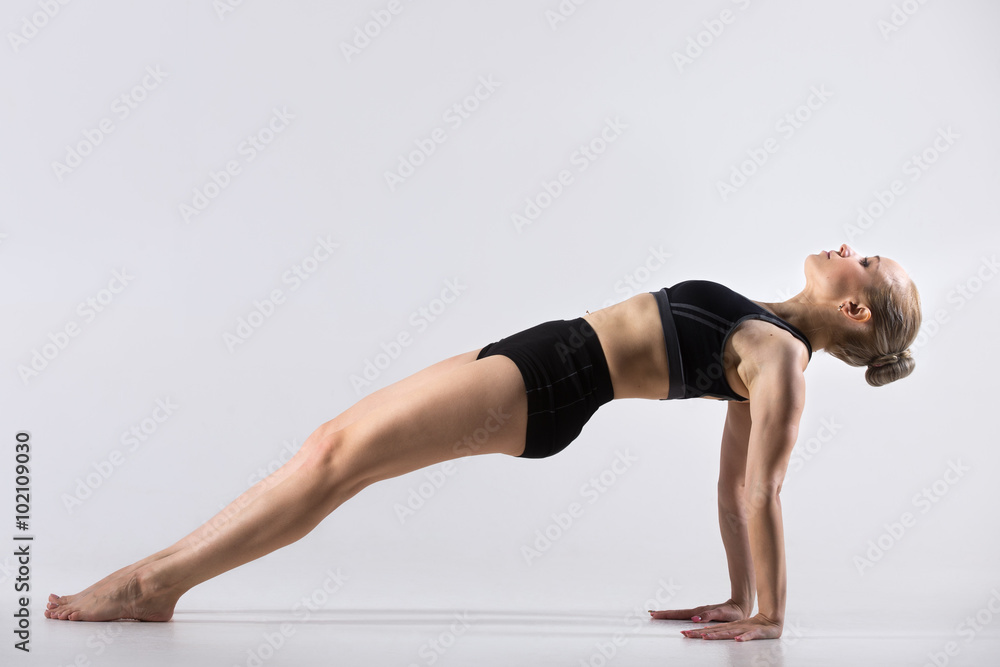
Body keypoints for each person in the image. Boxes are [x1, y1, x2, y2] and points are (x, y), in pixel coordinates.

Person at [45, 243, 921, 642]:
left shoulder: (780, 358)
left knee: (334, 460)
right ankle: (156, 580)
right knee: (333, 446)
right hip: (544, 355)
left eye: (868, 259)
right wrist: (737, 593)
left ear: (855, 309)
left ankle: (150, 586)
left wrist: (769, 614)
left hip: (555, 381)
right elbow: (731, 486)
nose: (850, 245)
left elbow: (760, 490)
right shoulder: (768, 330)